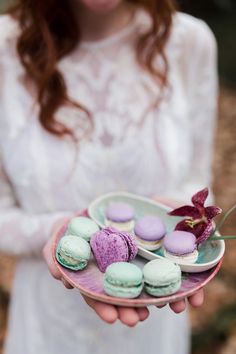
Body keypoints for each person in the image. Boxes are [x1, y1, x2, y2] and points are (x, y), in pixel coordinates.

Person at [0, 0, 217, 353]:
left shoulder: (190, 43)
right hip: (47, 327)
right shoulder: (5, 49)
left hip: (156, 326)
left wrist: (171, 220)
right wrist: (64, 232)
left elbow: (199, 186)